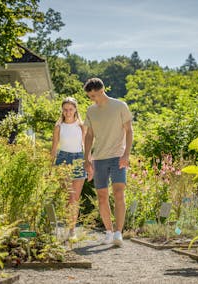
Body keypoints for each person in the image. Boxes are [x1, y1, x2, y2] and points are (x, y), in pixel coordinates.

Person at [83, 78, 133, 247]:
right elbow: (89, 135)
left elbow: (129, 130)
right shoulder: (91, 111)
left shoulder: (120, 106)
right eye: (90, 96)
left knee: (119, 192)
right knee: (102, 197)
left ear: (102, 90)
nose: (93, 99)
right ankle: (109, 232)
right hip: (99, 159)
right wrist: (87, 158)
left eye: (95, 95)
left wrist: (126, 154)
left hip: (118, 156)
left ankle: (119, 232)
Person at [51, 97, 89, 241]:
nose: (68, 112)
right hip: (63, 160)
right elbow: (54, 147)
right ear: (62, 110)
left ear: (75, 110)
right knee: (69, 196)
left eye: (70, 109)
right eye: (65, 109)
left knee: (75, 198)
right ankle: (69, 227)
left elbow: (86, 146)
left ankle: (72, 230)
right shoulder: (59, 126)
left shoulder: (81, 125)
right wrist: (50, 166)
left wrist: (89, 163)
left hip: (79, 159)